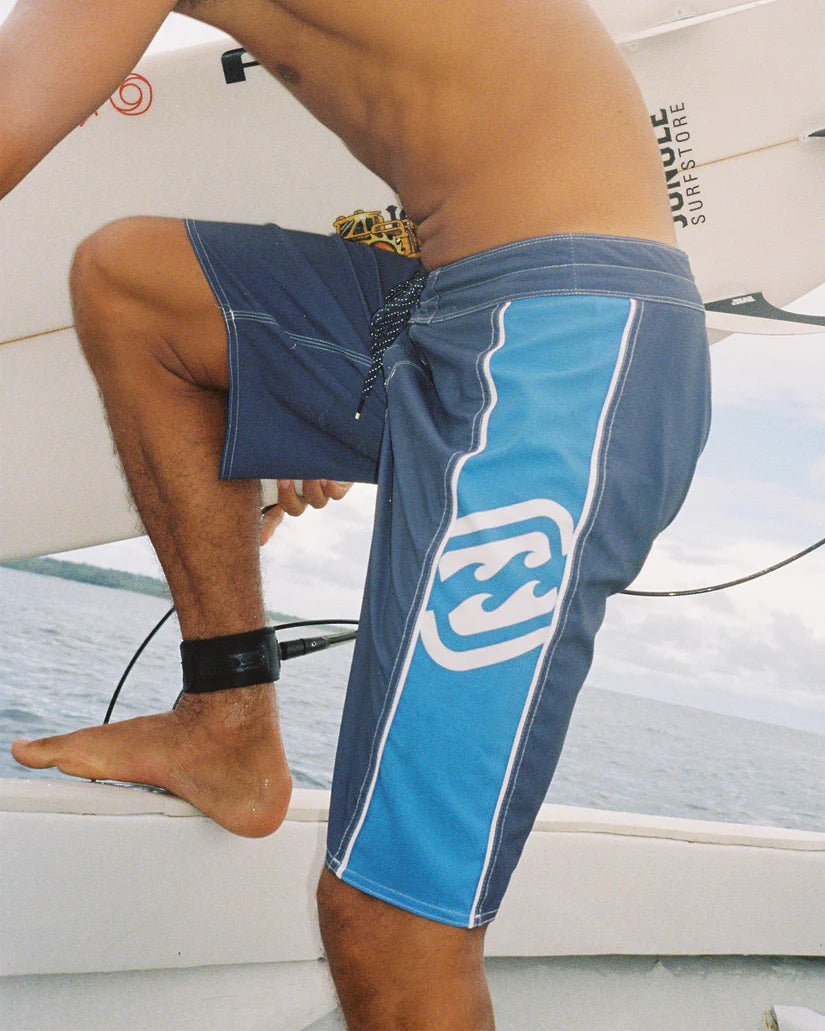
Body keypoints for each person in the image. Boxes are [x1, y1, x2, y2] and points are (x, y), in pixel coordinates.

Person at [2, 0, 711, 1026]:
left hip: (570, 345)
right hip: (452, 301)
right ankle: (227, 722)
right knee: (133, 286)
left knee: (386, 924)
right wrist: (297, 374)